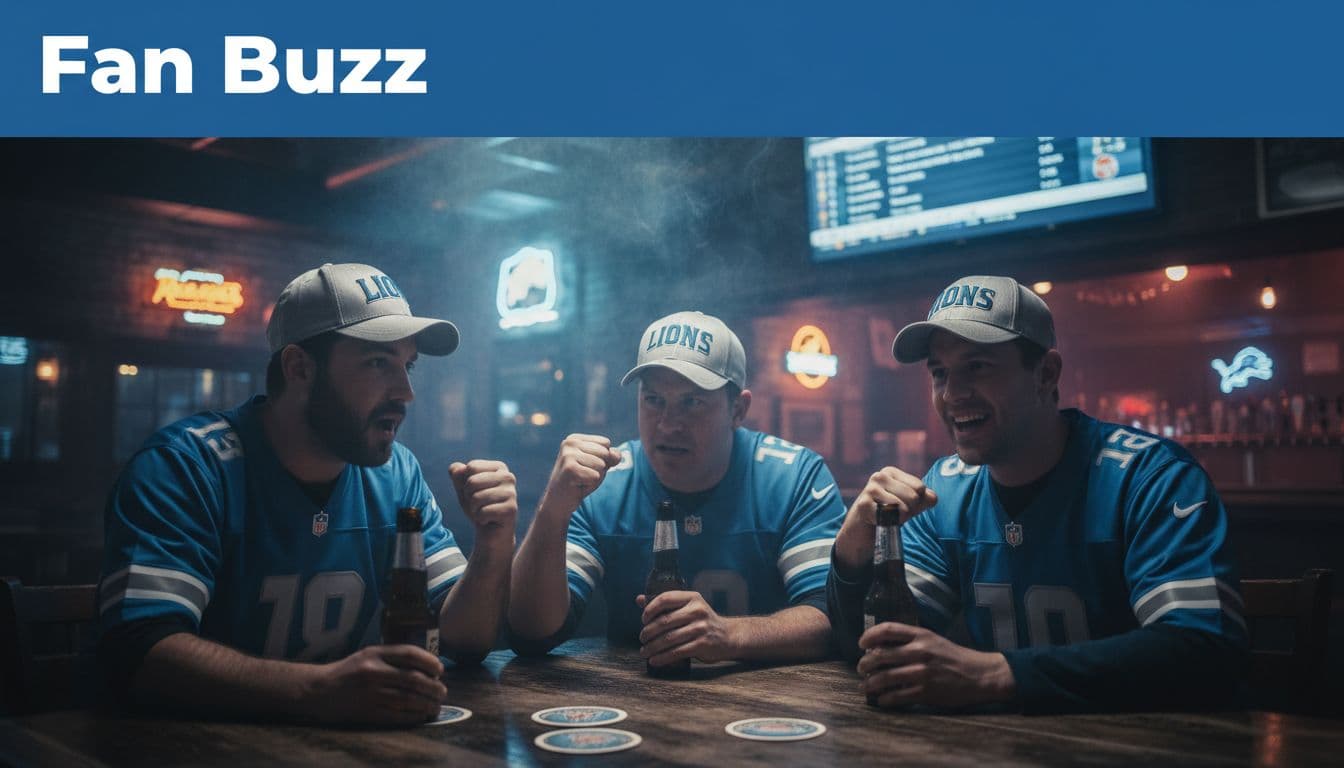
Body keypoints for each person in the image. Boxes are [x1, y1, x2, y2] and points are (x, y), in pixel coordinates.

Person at [97, 262, 518, 726]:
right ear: (299, 368)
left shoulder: (397, 473)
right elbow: (139, 652)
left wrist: (493, 542)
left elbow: (465, 638)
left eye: (407, 365)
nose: (406, 392)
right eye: (379, 362)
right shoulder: (185, 466)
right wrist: (317, 689)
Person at [829, 275, 1247, 713]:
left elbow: (1205, 650)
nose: (952, 394)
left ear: (1046, 374)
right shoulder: (945, 491)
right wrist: (852, 549)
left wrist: (996, 674)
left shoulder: (1149, 477)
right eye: (940, 373)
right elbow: (877, 647)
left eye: (978, 366)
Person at [508, 311, 844, 669]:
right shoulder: (604, 483)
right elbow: (532, 633)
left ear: (738, 409)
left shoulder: (794, 477)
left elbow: (828, 616)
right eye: (653, 400)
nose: (668, 425)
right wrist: (552, 510)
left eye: (692, 402)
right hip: (634, 709)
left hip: (778, 714)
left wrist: (729, 636)